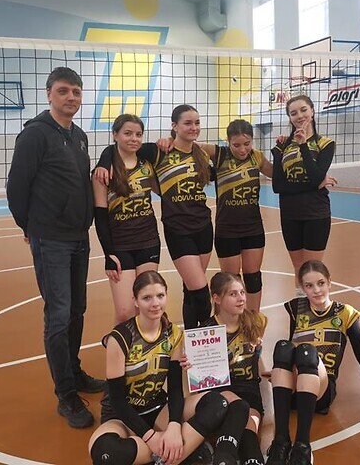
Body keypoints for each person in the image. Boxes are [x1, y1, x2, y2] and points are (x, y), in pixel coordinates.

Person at [6, 67, 105, 429]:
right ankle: (65, 394)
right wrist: (29, 227)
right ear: (49, 94)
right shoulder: (35, 134)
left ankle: (74, 373)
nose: (71, 97)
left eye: (76, 91)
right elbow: (17, 187)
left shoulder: (78, 136)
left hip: (79, 236)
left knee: (77, 309)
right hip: (51, 239)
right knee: (59, 314)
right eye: (63, 91)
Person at [265, 260, 360, 465]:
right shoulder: (297, 308)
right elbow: (292, 342)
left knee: (307, 352)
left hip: (321, 389)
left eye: (320, 283)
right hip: (294, 391)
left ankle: (302, 447)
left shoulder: (345, 313)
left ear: (329, 282)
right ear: (302, 288)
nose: (316, 290)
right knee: (283, 347)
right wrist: (280, 368)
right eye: (309, 285)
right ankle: (280, 442)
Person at [89, 271, 232, 465]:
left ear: (166, 295)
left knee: (217, 403)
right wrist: (150, 437)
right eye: (147, 298)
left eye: (160, 295)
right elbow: (117, 400)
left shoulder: (173, 334)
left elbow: (174, 389)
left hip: (157, 410)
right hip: (122, 417)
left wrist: (174, 426)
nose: (155, 303)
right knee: (105, 452)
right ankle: (181, 452)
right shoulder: (120, 338)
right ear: (135, 301)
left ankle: (163, 456)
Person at [96, 104, 213, 330]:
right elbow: (117, 150)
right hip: (170, 231)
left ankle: (192, 341)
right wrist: (103, 160)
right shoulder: (155, 153)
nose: (134, 139)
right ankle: (204, 339)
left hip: (198, 227)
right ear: (174, 126)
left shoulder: (200, 153)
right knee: (198, 292)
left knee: (190, 289)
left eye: (197, 122)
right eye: (188, 123)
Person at [92, 114, 161, 323]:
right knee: (125, 312)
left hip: (148, 242)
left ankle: (146, 344)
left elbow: (164, 191)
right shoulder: (103, 173)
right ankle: (120, 344)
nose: (134, 139)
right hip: (120, 246)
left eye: (138, 134)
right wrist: (108, 254)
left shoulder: (147, 165)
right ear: (115, 135)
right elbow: (100, 216)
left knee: (146, 308)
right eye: (128, 133)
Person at [271, 95, 338, 294]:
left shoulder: (325, 144)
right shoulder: (283, 146)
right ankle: (302, 308)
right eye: (293, 113)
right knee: (298, 268)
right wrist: (315, 184)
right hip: (290, 213)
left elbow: (315, 177)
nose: (299, 116)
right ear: (290, 118)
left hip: (315, 212)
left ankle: (317, 308)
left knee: (313, 270)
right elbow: (277, 185)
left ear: (312, 111)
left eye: (303, 110)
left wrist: (303, 145)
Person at [200, 272, 269, 465]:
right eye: (233, 294)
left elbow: (256, 354)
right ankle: (226, 457)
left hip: (249, 390)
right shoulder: (206, 331)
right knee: (238, 414)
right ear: (216, 298)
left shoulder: (256, 322)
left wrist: (257, 349)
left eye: (242, 292)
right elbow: (202, 379)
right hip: (221, 392)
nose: (241, 298)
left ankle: (245, 459)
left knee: (250, 425)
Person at [211, 120, 273, 311]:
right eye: (236, 145)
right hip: (226, 229)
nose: (242, 149)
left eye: (247, 144)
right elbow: (192, 145)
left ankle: (253, 320)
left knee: (253, 277)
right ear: (228, 141)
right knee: (230, 281)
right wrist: (169, 140)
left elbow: (279, 175)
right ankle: (231, 322)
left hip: (253, 227)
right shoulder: (220, 155)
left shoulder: (257, 157)